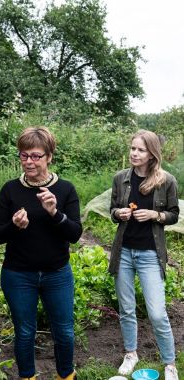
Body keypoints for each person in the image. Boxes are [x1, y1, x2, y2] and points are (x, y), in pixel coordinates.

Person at [0, 127, 82, 380]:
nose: (28, 162)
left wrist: (55, 213)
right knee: (24, 332)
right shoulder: (10, 190)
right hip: (18, 274)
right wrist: (15, 226)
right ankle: (28, 376)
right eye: (23, 156)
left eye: (35, 156)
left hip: (57, 274)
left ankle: (66, 375)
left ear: (49, 156)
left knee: (64, 331)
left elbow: (74, 233)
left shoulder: (65, 190)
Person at [109, 130, 179, 380]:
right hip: (124, 252)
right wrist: (119, 214)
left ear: (152, 154)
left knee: (157, 312)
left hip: (150, 253)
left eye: (139, 150)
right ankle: (131, 354)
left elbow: (173, 214)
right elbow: (112, 209)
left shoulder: (166, 180)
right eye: (132, 148)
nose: (133, 153)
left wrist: (154, 215)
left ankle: (169, 362)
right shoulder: (120, 178)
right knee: (126, 309)